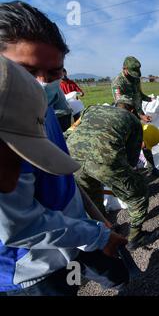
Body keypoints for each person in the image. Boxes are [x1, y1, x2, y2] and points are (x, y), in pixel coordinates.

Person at [0, 55, 129, 296]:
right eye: (30, 69)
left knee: (112, 273)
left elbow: (58, 170)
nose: (43, 80)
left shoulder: (35, 101)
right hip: (30, 269)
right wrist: (97, 236)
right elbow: (19, 226)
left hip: (70, 232)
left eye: (53, 72)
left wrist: (89, 224)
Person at [65, 96, 159, 251]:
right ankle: (136, 236)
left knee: (91, 196)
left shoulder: (93, 108)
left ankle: (104, 232)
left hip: (71, 155)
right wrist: (123, 183)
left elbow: (70, 130)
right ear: (131, 110)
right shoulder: (133, 122)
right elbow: (130, 161)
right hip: (104, 160)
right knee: (139, 194)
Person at [111, 56, 152, 122]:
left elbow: (139, 94)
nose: (134, 76)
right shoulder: (117, 82)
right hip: (125, 112)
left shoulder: (136, 79)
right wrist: (138, 115)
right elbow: (120, 101)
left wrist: (149, 99)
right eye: (132, 73)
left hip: (137, 110)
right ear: (124, 69)